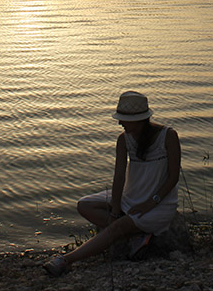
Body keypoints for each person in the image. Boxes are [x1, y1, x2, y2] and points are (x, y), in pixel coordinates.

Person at [44, 91, 181, 277]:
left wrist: (151, 202)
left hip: (159, 205)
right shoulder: (124, 140)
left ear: (140, 119)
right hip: (130, 198)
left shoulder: (168, 136)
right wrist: (116, 208)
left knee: (116, 227)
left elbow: (173, 177)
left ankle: (66, 260)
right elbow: (119, 177)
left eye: (124, 119)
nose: (119, 123)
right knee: (84, 205)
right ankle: (135, 235)